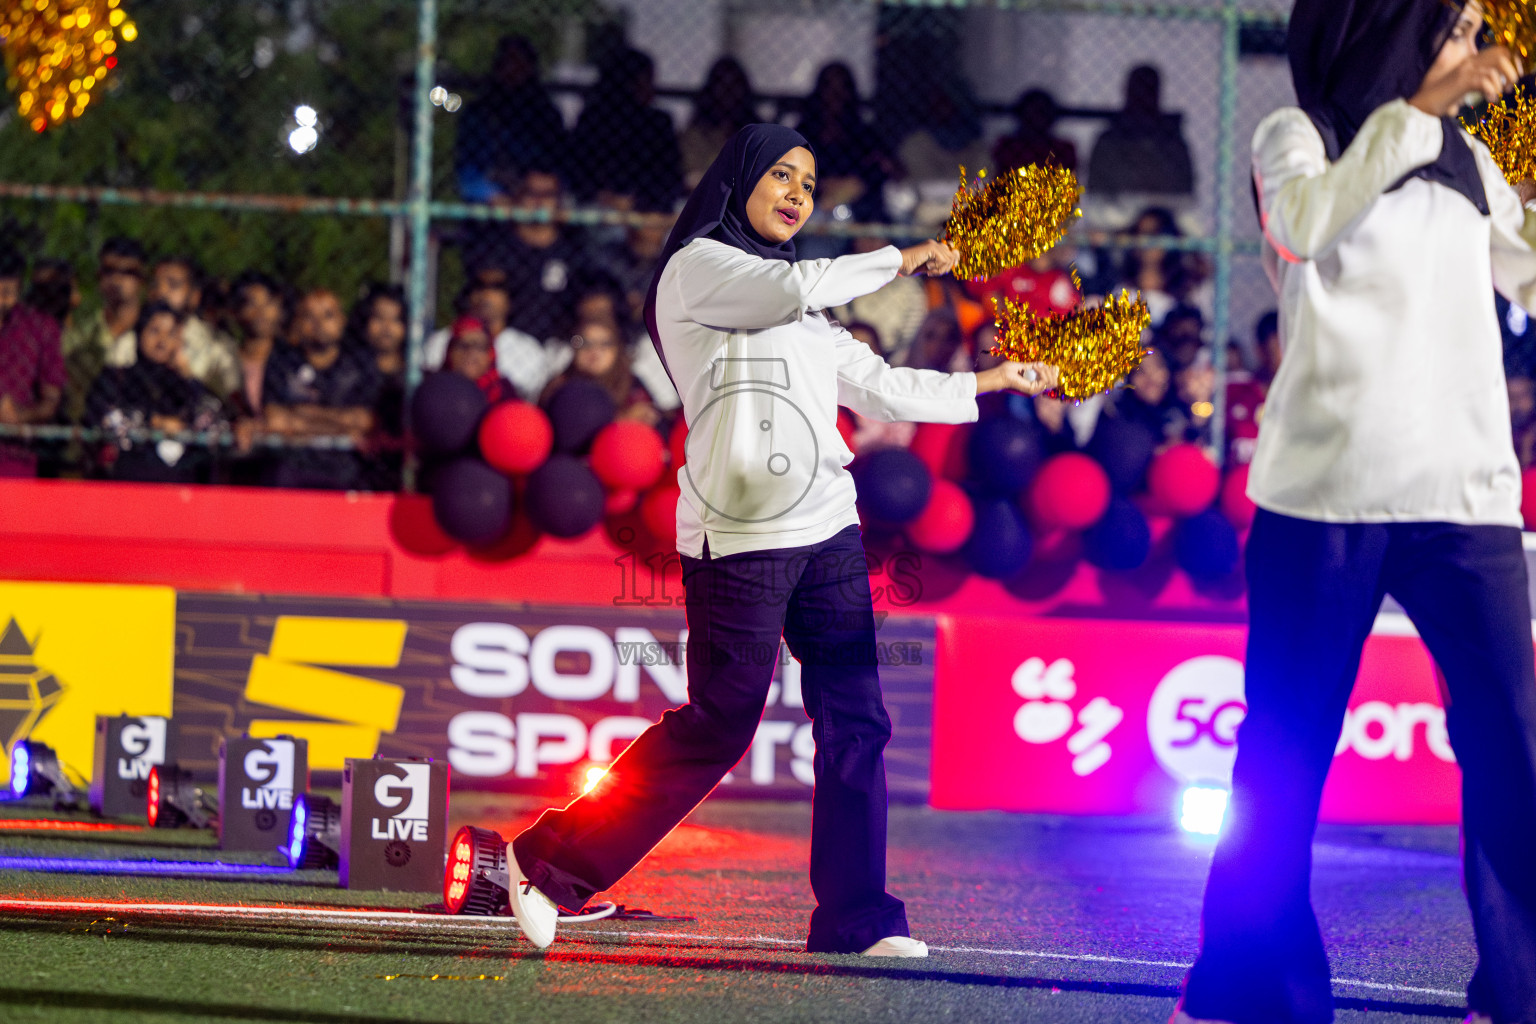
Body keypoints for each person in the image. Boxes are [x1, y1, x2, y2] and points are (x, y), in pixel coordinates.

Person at [503, 124, 1060, 956]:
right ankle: (545, 860)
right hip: (738, 539)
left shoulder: (801, 302)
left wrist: (991, 380)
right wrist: (909, 256)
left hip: (828, 526)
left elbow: (876, 383)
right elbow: (789, 290)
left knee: (856, 719)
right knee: (722, 723)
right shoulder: (702, 269)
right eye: (781, 176)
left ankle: (855, 917)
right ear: (739, 182)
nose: (799, 192)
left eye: (809, 180)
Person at [1175, 3, 1536, 1022]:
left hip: (1464, 498)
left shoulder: (1468, 157)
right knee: (1285, 748)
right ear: (1396, 25)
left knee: (1513, 745)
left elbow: (1528, 269)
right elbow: (1302, 224)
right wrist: (1424, 109)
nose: (1476, 45)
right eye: (1455, 24)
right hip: (1320, 496)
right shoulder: (1299, 133)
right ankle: (1250, 992)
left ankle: (1520, 991)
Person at [85, 302, 224, 483]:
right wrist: (154, 421)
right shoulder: (116, 377)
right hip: (126, 482)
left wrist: (187, 374)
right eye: (154, 331)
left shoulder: (183, 385)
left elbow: (214, 419)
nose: (162, 341)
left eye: (171, 333)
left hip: (180, 487)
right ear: (139, 332)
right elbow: (101, 416)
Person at [261, 289, 380, 490]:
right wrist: (342, 425)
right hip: (292, 468)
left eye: (328, 315)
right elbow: (274, 419)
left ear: (342, 321)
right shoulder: (282, 360)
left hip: (347, 470)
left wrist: (300, 418)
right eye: (309, 316)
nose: (318, 323)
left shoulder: (361, 363)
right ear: (298, 322)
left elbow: (365, 421)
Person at [107, 256, 239, 400]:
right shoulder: (127, 344)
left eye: (173, 285)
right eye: (155, 285)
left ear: (195, 296)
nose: (161, 292)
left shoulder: (217, 348)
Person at [455, 35, 567, 203]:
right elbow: (468, 172)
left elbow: (557, 166)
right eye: (509, 63)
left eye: (521, 63)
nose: (514, 70)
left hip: (535, 197)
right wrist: (494, 196)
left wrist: (531, 188)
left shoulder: (545, 114)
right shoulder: (479, 113)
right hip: (492, 199)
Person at [570, 48, 682, 212]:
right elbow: (578, 171)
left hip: (647, 209)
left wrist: (638, 200)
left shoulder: (659, 123)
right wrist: (604, 196)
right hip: (599, 207)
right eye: (645, 81)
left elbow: (670, 176)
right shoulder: (594, 119)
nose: (651, 88)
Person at [62, 237, 146, 424]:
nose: (116, 280)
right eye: (108, 271)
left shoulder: (155, 330)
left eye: (127, 272)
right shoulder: (83, 332)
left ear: (141, 279)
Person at [424, 277, 550, 401]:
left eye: (497, 287)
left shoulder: (529, 349)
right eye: (480, 286)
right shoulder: (440, 341)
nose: (487, 294)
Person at [0, 248, 65, 477]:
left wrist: (16, 417)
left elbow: (51, 400)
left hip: (15, 453)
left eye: (7, 292)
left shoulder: (39, 329)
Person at [1086, 65, 1195, 200]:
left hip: (1160, 215)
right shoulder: (1108, 142)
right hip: (1115, 216)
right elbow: (1097, 191)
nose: (1143, 97)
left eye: (1148, 90)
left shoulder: (1171, 142)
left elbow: (1182, 192)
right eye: (1138, 90)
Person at [540, 316, 661, 427]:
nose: (595, 352)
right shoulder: (559, 386)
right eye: (585, 343)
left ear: (617, 349)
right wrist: (621, 419)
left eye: (605, 344)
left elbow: (653, 418)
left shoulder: (630, 383)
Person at [348, 284, 408, 491]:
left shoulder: (414, 376)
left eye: (395, 319)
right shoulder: (349, 371)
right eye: (379, 318)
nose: (386, 327)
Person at [680, 57, 757, 191]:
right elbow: (692, 177)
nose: (729, 92)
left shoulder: (756, 134)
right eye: (723, 85)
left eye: (734, 85)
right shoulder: (696, 133)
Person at [992, 88, 1079, 176]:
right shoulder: (1007, 146)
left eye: (1042, 111)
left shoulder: (1063, 150)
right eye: (1033, 111)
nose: (1037, 117)